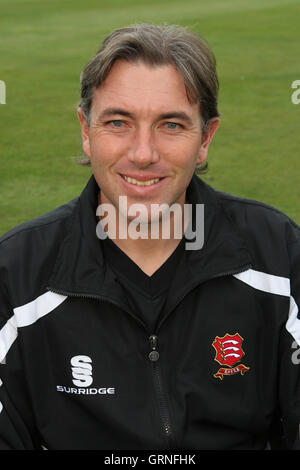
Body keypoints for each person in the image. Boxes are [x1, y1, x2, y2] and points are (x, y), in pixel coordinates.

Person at [0, 23, 299, 451]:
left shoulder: (279, 257)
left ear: (205, 139)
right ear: (86, 131)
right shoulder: (16, 277)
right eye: (118, 122)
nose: (143, 154)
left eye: (171, 125)